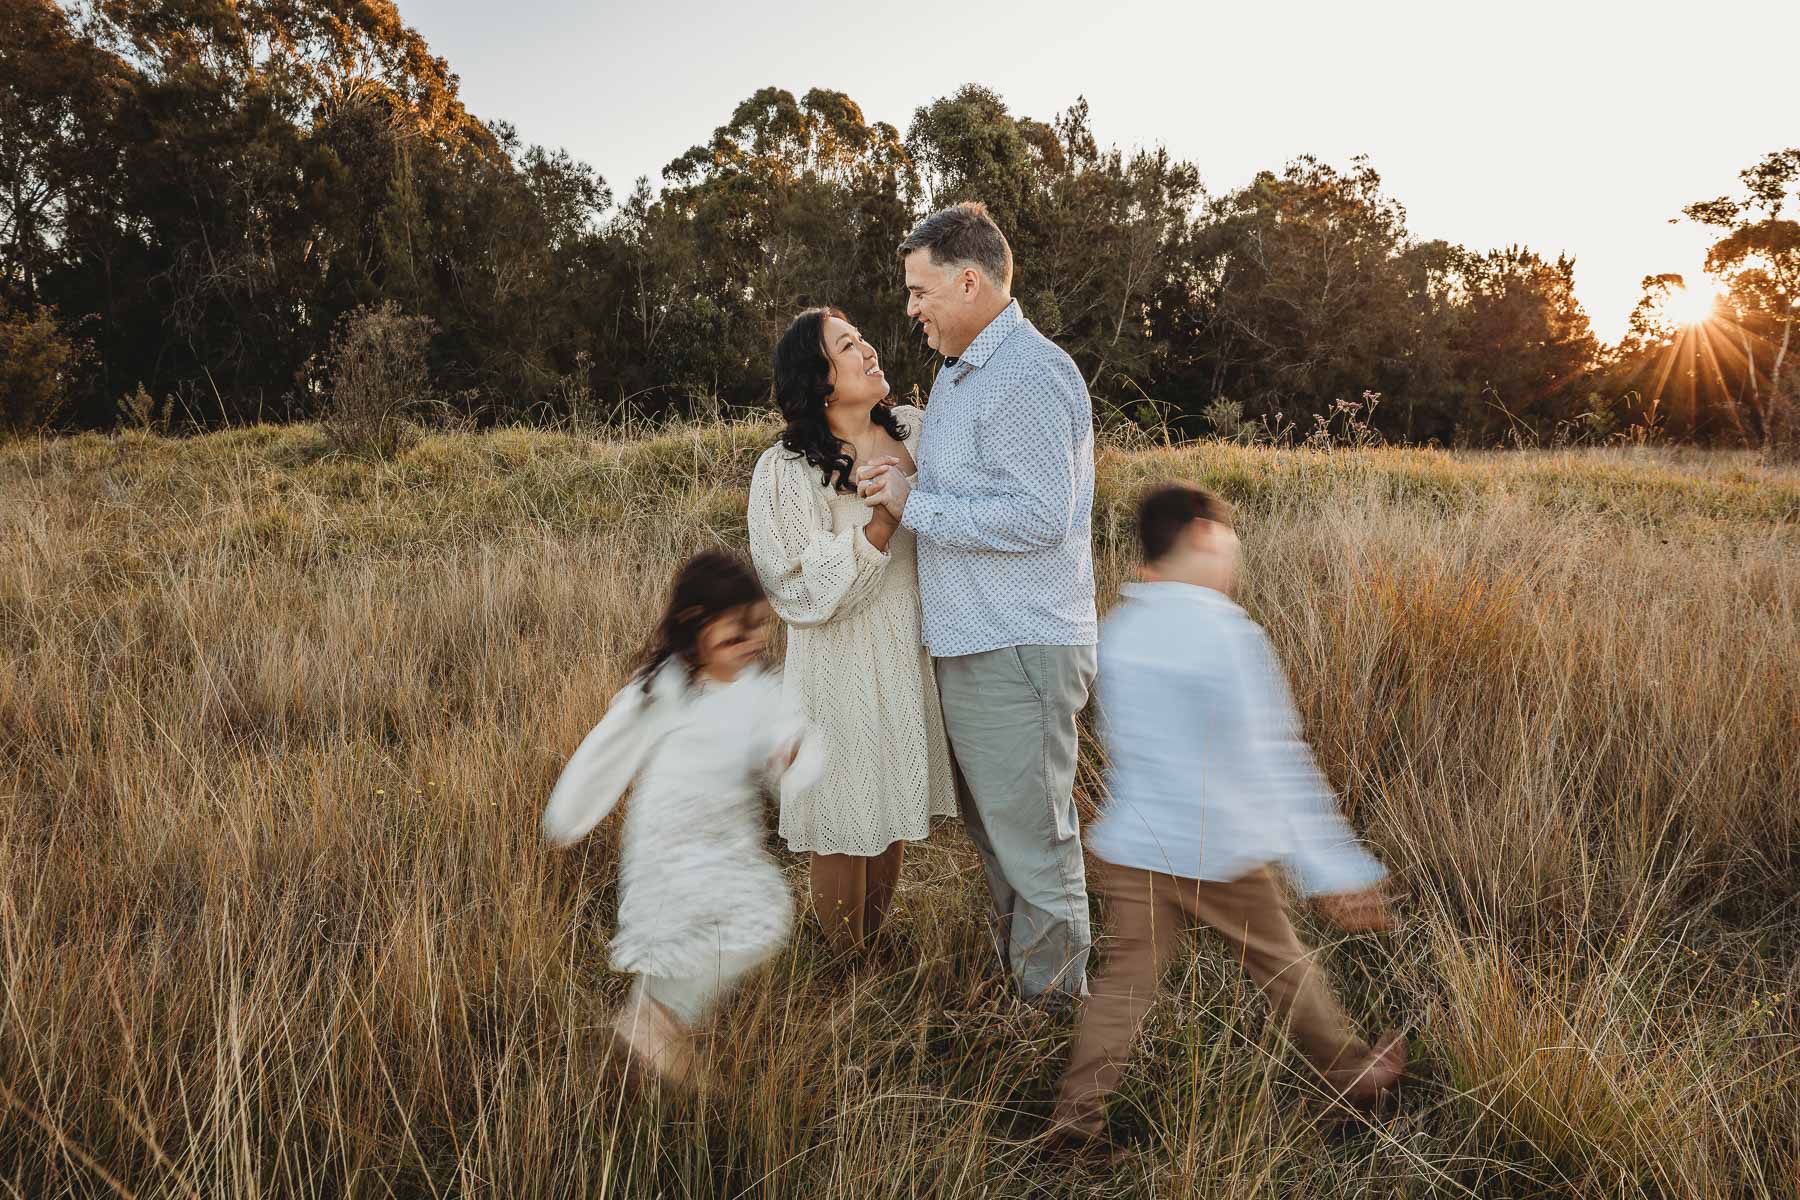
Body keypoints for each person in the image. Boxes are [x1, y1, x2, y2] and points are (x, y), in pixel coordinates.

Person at [1045, 483, 1406, 1155]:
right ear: (1207, 535)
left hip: (1136, 845)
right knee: (1285, 966)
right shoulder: (1228, 634)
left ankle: (1075, 1123)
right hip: (1219, 847)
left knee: (1124, 990)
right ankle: (1353, 1076)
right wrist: (1335, 870)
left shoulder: (1122, 628)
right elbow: (1275, 759)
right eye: (1231, 538)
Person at [857, 201, 1097, 1004]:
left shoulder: (1028, 374)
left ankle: (1060, 1022)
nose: (911, 308)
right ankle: (1029, 998)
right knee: (1001, 841)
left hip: (1018, 648)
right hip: (977, 647)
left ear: (969, 280)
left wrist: (912, 502)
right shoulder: (965, 374)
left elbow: (1038, 518)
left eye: (921, 290)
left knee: (1034, 847)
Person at [540, 550, 820, 1088]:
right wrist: (568, 818)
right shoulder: (662, 689)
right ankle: (655, 1027)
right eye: (734, 636)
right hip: (669, 845)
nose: (751, 646)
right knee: (689, 931)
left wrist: (792, 755)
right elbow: (604, 753)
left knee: (765, 917)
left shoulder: (759, 689)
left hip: (730, 839)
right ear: (694, 627)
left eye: (757, 631)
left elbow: (788, 734)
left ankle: (654, 1019)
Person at [748, 307, 956, 955]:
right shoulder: (785, 470)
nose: (868, 349)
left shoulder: (918, 433)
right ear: (821, 379)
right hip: (836, 669)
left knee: (889, 807)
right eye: (847, 345)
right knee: (843, 818)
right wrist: (880, 526)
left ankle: (875, 941)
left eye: (863, 338)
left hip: (904, 650)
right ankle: (844, 968)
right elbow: (796, 585)